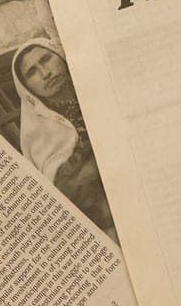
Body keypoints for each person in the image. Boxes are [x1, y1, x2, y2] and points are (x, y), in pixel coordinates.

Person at [11, 39, 116, 238]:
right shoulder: (39, 137)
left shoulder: (101, 88)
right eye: (32, 72)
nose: (45, 73)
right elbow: (69, 192)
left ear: (59, 55)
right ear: (27, 89)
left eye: (46, 59)